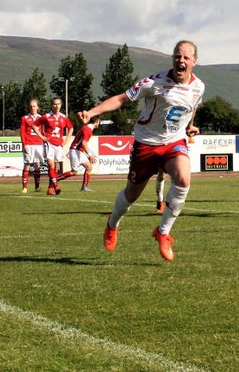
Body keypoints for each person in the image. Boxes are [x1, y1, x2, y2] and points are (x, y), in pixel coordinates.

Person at [80, 40, 204, 262]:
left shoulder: (199, 87)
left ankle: (163, 232)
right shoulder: (153, 82)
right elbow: (121, 98)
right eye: (177, 56)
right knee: (131, 196)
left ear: (194, 61)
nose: (181, 60)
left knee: (184, 179)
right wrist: (92, 112)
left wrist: (189, 127)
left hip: (173, 142)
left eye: (186, 57)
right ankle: (112, 224)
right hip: (146, 143)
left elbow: (190, 107)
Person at [40, 96, 73, 195]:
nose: (56, 106)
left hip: (59, 145)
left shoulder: (64, 117)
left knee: (56, 168)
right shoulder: (46, 116)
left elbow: (71, 128)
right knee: (51, 165)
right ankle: (56, 186)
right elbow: (34, 125)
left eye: (58, 104)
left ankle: (50, 189)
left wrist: (66, 140)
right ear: (51, 105)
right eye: (54, 104)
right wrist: (41, 136)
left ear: (61, 105)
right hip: (49, 143)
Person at [59, 114, 100, 191]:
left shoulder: (87, 128)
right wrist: (90, 155)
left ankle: (84, 187)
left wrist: (86, 154)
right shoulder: (88, 129)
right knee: (74, 172)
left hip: (79, 151)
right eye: (99, 121)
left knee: (89, 167)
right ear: (97, 121)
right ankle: (54, 180)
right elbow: (83, 143)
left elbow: (82, 143)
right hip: (75, 151)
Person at [19, 99, 48, 193]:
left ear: (38, 107)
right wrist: (24, 144)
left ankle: (37, 187)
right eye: (31, 106)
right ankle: (24, 187)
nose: (32, 108)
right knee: (27, 164)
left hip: (38, 144)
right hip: (29, 144)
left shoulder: (42, 118)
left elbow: (44, 132)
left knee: (37, 165)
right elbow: (22, 133)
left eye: (34, 106)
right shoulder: (25, 118)